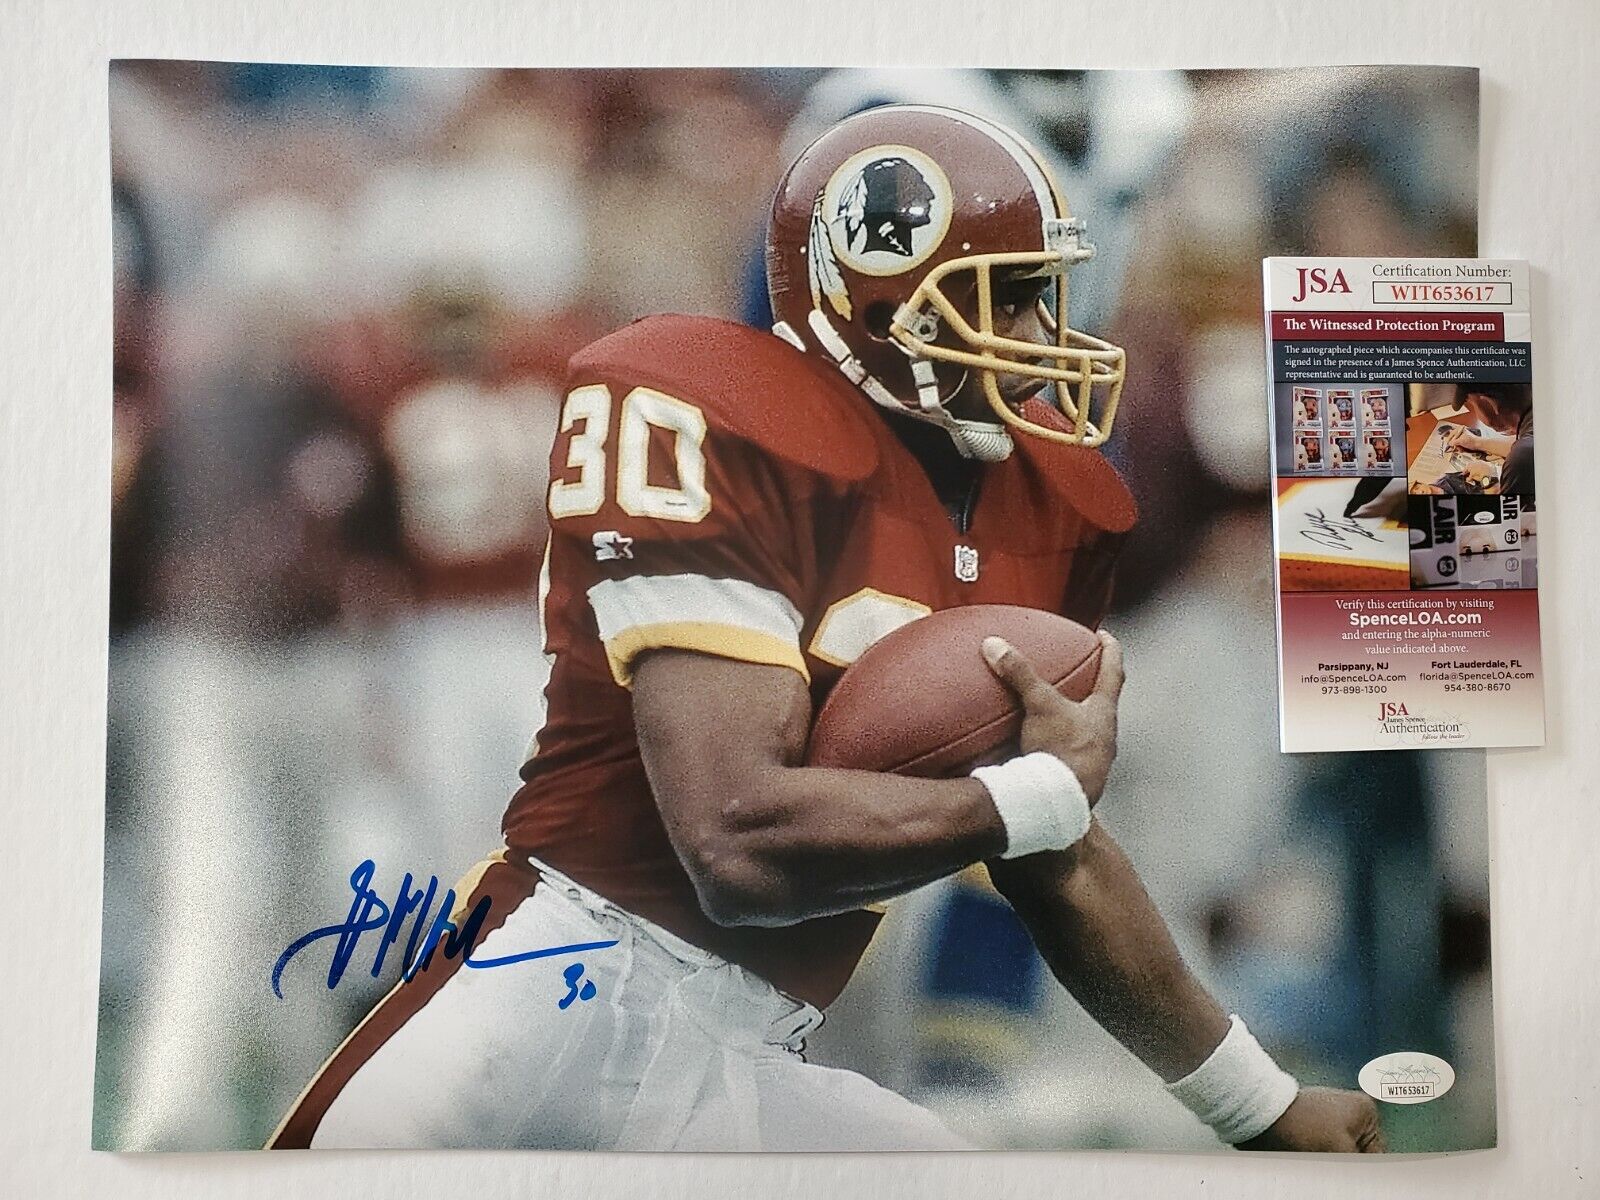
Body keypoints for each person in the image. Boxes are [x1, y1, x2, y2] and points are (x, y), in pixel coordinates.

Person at [270, 105, 1380, 1153]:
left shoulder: (1046, 497)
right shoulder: (715, 416)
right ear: (880, 304)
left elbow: (1057, 859)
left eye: (1043, 295)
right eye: (1002, 299)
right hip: (546, 1008)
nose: (1040, 335)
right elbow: (735, 844)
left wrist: (1261, 1106)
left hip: (743, 1049)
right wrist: (1030, 800)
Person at [1444, 382, 1534, 496]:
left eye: (1473, 404)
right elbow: (1522, 444)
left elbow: (1507, 506)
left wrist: (1489, 480)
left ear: (1490, 404)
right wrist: (1476, 442)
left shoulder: (1521, 458)